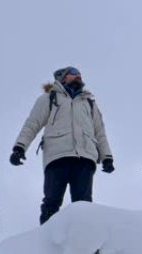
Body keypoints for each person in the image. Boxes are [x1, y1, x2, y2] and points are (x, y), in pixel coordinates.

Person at [10, 66, 114, 224]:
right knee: (52, 201)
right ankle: (46, 242)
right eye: (73, 74)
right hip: (57, 155)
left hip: (84, 157)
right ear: (63, 78)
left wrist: (107, 156)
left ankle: (83, 240)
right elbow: (32, 124)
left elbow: (99, 132)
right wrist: (19, 147)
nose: (78, 76)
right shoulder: (49, 98)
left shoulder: (89, 103)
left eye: (79, 74)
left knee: (83, 204)